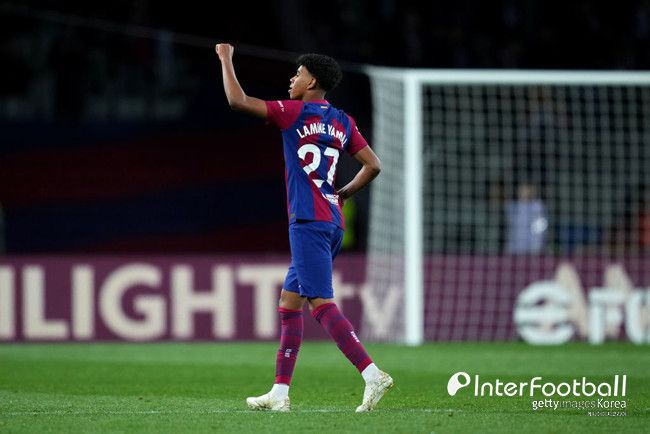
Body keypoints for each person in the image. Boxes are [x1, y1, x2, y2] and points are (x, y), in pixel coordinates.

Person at [215, 44, 392, 412]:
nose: (292, 79)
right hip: (332, 221)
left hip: (308, 221)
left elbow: (236, 100)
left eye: (297, 74)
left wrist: (225, 58)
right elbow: (373, 165)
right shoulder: (343, 121)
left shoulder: (292, 112)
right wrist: (344, 193)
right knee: (289, 302)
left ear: (311, 82)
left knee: (320, 303)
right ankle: (279, 394)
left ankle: (372, 373)